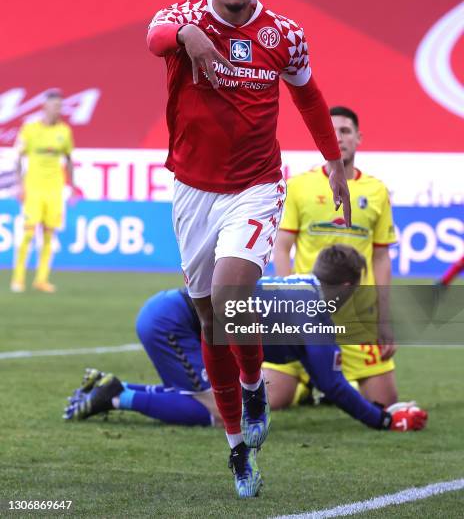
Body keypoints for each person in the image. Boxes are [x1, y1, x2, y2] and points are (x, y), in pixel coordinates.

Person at [146, 0, 350, 497]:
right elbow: (155, 36)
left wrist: (333, 162)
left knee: (235, 293)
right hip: (191, 190)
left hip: (256, 186)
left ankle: (255, 382)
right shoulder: (184, 15)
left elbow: (307, 95)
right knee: (211, 318)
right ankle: (237, 447)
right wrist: (190, 34)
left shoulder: (283, 34)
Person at [63, 246, 427, 435]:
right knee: (223, 412)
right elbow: (330, 383)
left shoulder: (302, 286)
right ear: (348, 286)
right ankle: (116, 395)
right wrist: (380, 420)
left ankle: (114, 388)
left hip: (172, 314)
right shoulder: (315, 309)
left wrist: (381, 412)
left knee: (213, 399)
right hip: (174, 323)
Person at [273, 106, 398, 408]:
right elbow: (281, 247)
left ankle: (327, 381)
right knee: (271, 400)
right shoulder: (300, 186)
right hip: (307, 314)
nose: (339, 138)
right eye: (331, 132)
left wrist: (384, 319)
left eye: (345, 131)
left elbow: (381, 258)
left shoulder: (377, 191)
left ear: (358, 138)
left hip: (356, 317)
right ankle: (310, 384)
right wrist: (290, 303)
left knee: (385, 403)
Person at [10, 89, 75, 293]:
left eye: (60, 106)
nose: (58, 109)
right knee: (28, 234)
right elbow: (18, 158)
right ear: (45, 106)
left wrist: (71, 186)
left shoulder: (64, 131)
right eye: (55, 105)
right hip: (34, 189)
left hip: (54, 190)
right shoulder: (30, 130)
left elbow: (69, 160)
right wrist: (20, 184)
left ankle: (41, 279)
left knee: (49, 235)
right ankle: (18, 278)